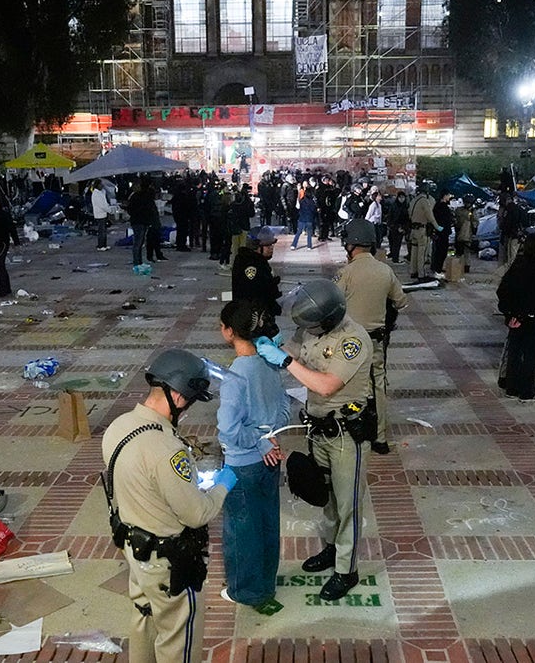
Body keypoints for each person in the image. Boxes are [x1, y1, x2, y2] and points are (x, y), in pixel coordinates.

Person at [101, 348, 237, 663]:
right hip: (168, 564)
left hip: (135, 552)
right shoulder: (168, 450)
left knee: (144, 618)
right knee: (179, 638)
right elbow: (197, 513)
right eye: (189, 401)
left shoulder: (119, 426)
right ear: (177, 396)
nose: (187, 409)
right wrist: (222, 485)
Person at [254, 280, 373, 601]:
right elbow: (290, 350)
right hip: (318, 429)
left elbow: (326, 385)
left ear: (329, 319)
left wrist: (286, 362)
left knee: (348, 504)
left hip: (347, 434)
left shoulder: (353, 340)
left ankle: (347, 570)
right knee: (328, 497)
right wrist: (269, 346)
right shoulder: (311, 328)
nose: (307, 330)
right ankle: (333, 550)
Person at [216, 301, 290, 615]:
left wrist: (259, 441)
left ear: (229, 332)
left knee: (240, 530)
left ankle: (246, 591)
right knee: (267, 522)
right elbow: (285, 409)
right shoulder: (270, 365)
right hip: (272, 459)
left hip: (240, 464)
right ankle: (266, 583)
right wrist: (270, 439)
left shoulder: (235, 376)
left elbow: (229, 432)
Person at [336, 220, 409, 455]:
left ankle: (352, 432)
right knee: (377, 385)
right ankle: (379, 438)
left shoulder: (345, 273)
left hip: (350, 340)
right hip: (376, 340)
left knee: (347, 384)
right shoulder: (385, 270)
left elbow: (333, 305)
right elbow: (401, 301)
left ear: (352, 244)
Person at [496, 230, 535, 402]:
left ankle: (511, 387)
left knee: (515, 351)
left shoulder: (518, 263)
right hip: (532, 319)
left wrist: (510, 314)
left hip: (516, 317)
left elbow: (503, 289)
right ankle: (527, 391)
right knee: (530, 354)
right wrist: (523, 315)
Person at [232, 227, 282, 317]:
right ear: (256, 247)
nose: (271, 248)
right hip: (251, 315)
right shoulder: (249, 264)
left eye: (271, 245)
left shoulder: (257, 261)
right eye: (267, 246)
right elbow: (254, 292)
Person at [408, 184, 440, 281]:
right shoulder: (424, 201)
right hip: (422, 229)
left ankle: (413, 271)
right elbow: (430, 215)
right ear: (427, 192)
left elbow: (409, 213)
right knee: (422, 253)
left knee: (414, 251)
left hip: (413, 229)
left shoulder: (413, 200)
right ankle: (421, 274)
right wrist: (437, 227)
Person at [126, 179, 157, 269]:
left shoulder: (139, 196)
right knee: (138, 242)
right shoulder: (136, 197)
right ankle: (137, 262)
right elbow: (131, 209)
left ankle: (138, 261)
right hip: (139, 221)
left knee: (139, 242)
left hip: (141, 221)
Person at [430, 192, 455, 279]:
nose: (449, 197)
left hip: (440, 232)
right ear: (444, 196)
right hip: (442, 232)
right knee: (441, 251)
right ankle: (438, 269)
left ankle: (436, 268)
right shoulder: (442, 207)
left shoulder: (437, 206)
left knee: (437, 251)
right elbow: (444, 220)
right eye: (448, 195)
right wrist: (441, 228)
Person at [385, 191, 409, 263]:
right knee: (394, 244)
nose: (402, 199)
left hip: (401, 227)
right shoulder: (394, 206)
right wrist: (394, 227)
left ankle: (395, 258)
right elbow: (390, 218)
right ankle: (395, 258)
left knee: (397, 244)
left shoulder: (405, 206)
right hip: (394, 227)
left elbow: (406, 219)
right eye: (400, 197)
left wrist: (404, 228)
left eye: (403, 197)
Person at [454, 197, 476, 273]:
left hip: (465, 234)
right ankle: (461, 266)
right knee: (461, 251)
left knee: (465, 251)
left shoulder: (471, 211)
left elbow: (475, 223)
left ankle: (465, 266)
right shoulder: (460, 210)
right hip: (462, 233)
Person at [90, 179, 112, 251]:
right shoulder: (96, 194)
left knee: (103, 230)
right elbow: (102, 205)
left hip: (103, 214)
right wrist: (109, 210)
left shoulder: (101, 192)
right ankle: (100, 245)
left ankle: (104, 245)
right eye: (100, 184)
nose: (102, 185)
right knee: (101, 231)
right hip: (100, 214)